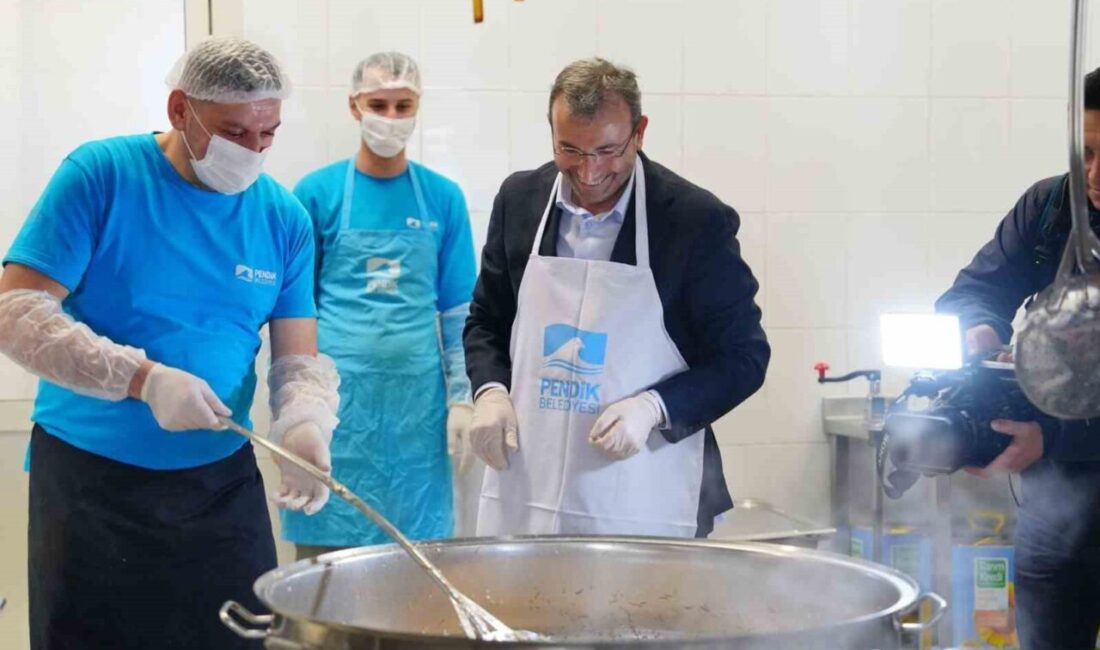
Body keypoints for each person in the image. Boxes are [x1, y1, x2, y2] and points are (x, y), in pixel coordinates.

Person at [0, 37, 340, 649]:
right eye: (234, 131)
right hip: (89, 485)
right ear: (180, 109)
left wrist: (303, 423)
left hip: (219, 487)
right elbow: (17, 312)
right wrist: (143, 378)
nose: (253, 151)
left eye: (268, 135)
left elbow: (298, 357)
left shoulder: (282, 218)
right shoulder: (100, 176)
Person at [463, 58, 769, 538]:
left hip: (646, 492)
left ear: (640, 132)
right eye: (570, 149)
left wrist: (655, 407)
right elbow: (487, 319)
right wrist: (490, 391)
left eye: (607, 150)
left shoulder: (693, 221)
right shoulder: (520, 200)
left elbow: (745, 358)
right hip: (530, 490)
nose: (588, 172)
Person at [286, 52, 477, 556]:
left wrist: (462, 397)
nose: (390, 118)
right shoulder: (316, 193)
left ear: (417, 108)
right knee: (326, 560)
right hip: (337, 407)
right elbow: (294, 311)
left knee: (416, 565)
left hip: (418, 408)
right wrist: (297, 407)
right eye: (378, 104)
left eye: (402, 105)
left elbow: (459, 312)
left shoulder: (443, 198)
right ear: (354, 107)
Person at [936, 67, 1100, 650]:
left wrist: (1052, 440)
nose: (1095, 176)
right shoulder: (1051, 206)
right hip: (1055, 515)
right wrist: (979, 327)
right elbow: (970, 291)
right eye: (1085, 153)